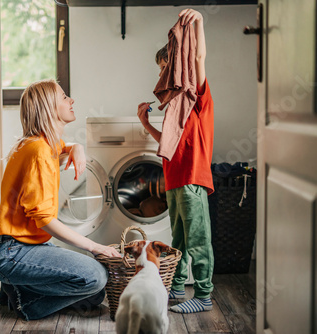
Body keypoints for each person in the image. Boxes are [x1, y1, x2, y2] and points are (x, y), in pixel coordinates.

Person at [0, 79, 121, 321]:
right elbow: (45, 221)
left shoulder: (41, 143)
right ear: (49, 108)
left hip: (22, 246)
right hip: (12, 252)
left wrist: (76, 146)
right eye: (64, 97)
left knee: (94, 296)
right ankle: (25, 302)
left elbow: (63, 146)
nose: (71, 101)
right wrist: (95, 246)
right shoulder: (38, 151)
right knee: (96, 278)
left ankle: (13, 289)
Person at [137, 8, 215, 314]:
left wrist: (199, 23)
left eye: (164, 68)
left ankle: (205, 295)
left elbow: (198, 59)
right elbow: (170, 145)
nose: (160, 75)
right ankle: (177, 287)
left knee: (198, 239)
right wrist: (146, 125)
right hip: (174, 180)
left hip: (192, 179)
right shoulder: (173, 111)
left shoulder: (197, 100)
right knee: (179, 241)